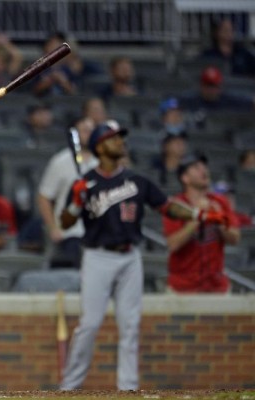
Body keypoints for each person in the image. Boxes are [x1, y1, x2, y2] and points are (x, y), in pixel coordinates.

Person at [58, 120, 229, 391]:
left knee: (130, 326)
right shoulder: (85, 183)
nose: (121, 142)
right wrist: (75, 203)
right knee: (89, 325)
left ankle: (128, 388)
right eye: (114, 138)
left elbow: (168, 207)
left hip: (129, 257)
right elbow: (65, 223)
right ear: (100, 146)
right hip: (97, 257)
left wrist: (198, 214)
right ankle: (69, 386)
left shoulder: (137, 181)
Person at [163, 154, 241, 293]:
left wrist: (219, 220)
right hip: (182, 287)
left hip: (216, 286)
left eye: (204, 166)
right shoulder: (175, 206)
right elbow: (172, 244)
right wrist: (197, 216)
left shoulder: (220, 202)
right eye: (196, 167)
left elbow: (235, 238)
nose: (203, 170)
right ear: (185, 178)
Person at [38, 117, 97, 268]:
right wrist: (52, 227)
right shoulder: (61, 161)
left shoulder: (102, 162)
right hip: (70, 232)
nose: (88, 134)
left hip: (98, 233)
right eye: (84, 131)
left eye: (92, 131)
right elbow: (44, 196)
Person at [178, 66, 254, 113]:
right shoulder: (190, 100)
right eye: (208, 85)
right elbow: (170, 103)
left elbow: (251, 103)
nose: (211, 89)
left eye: (214, 86)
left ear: (220, 86)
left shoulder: (229, 100)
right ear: (201, 86)